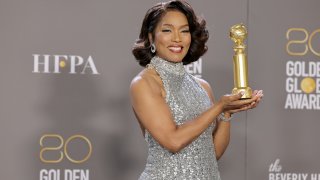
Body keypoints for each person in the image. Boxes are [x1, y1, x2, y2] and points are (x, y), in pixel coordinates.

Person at [130, 0, 263, 179]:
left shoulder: (202, 86)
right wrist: (219, 107)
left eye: (184, 31)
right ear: (152, 37)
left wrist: (226, 114)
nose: (177, 38)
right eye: (167, 30)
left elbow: (212, 153)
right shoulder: (144, 83)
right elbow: (173, 141)